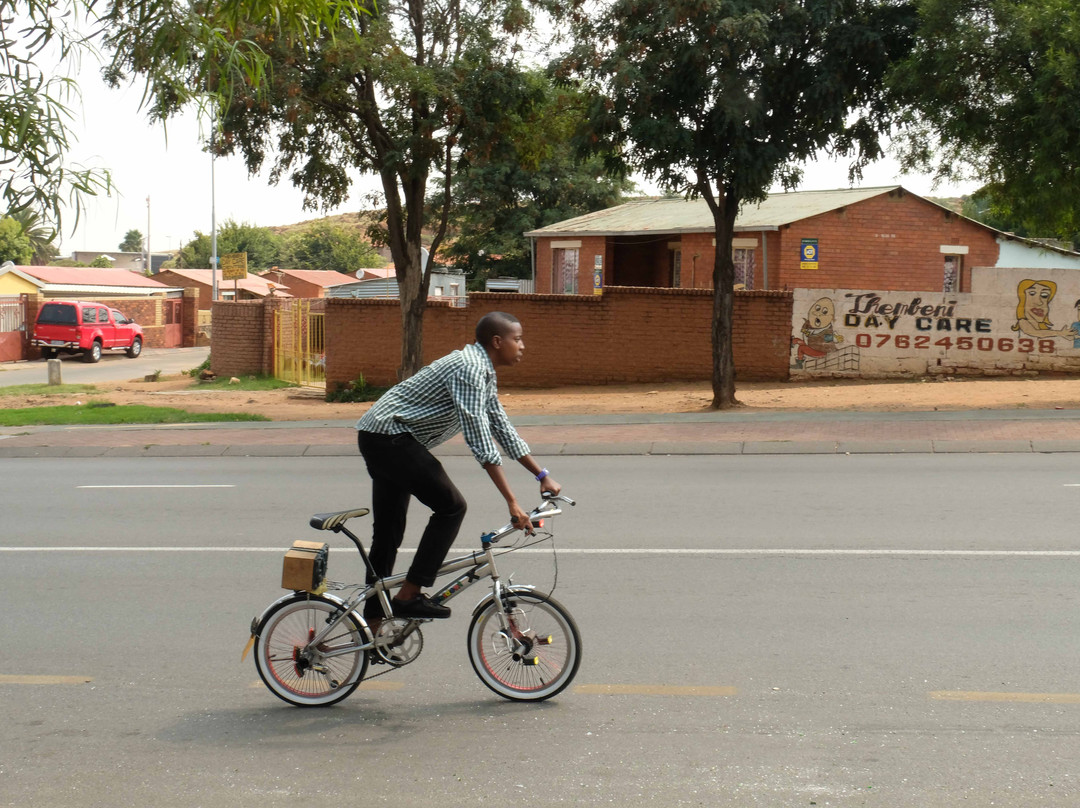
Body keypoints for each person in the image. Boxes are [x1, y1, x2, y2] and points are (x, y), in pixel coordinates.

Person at [355, 311, 561, 621]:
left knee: (388, 534)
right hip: (390, 438)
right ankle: (409, 596)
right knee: (451, 507)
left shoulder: (483, 371)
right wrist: (512, 502)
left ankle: (371, 626)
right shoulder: (469, 369)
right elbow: (479, 436)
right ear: (497, 341)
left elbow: (500, 427)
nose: (522, 346)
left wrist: (541, 475)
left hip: (381, 436)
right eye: (517, 339)